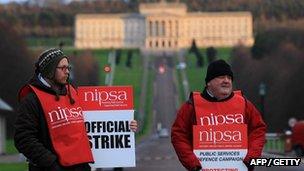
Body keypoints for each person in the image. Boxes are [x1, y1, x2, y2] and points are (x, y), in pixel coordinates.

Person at [14, 48, 138, 171]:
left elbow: (95, 123)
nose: (67, 71)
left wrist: (125, 125)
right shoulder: (31, 99)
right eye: (62, 68)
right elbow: (23, 138)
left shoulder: (73, 92)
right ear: (49, 70)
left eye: (68, 68)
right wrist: (51, 164)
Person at [171, 59, 266, 171]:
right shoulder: (191, 106)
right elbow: (179, 135)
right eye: (221, 77)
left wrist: (251, 158)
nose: (226, 81)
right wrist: (193, 164)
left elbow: (258, 129)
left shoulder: (244, 104)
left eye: (229, 78)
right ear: (208, 82)